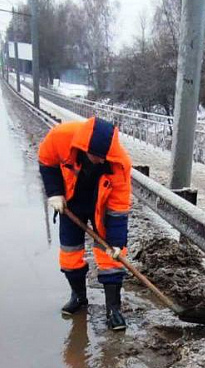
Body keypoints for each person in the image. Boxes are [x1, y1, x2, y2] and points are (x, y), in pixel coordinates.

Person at [38, 117, 132, 330]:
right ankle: (79, 298)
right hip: (70, 204)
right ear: (83, 146)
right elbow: (46, 160)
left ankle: (113, 310)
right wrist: (55, 193)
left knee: (111, 258)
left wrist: (116, 242)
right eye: (94, 156)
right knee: (70, 254)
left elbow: (118, 208)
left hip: (101, 206)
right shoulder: (61, 137)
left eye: (103, 157)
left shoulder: (119, 163)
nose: (99, 160)